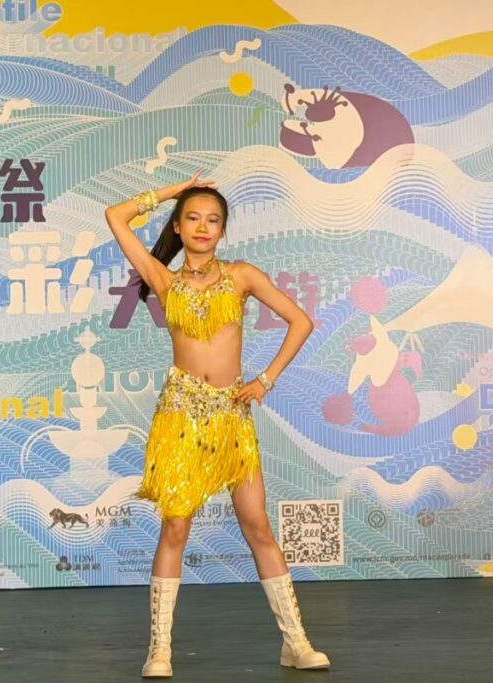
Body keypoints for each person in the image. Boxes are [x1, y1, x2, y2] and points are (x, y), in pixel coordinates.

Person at [104, 172, 330, 678]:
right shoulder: (164, 280)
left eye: (212, 220)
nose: (202, 227)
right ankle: (159, 650)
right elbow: (115, 217)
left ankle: (296, 643)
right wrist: (172, 191)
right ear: (178, 227)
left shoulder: (242, 276)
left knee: (258, 525)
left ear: (222, 230)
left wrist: (265, 380)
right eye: (192, 218)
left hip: (231, 417)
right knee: (175, 526)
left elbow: (301, 322)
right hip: (180, 418)